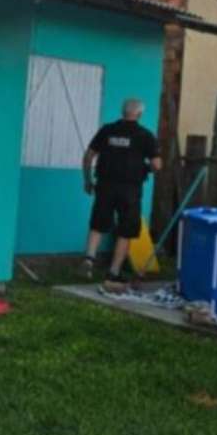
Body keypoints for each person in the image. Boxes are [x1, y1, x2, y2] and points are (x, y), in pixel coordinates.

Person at [81, 98, 162, 291]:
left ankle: (89, 260)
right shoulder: (145, 135)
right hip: (130, 189)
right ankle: (114, 272)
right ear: (139, 114)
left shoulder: (107, 130)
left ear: (122, 111)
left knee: (98, 223)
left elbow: (88, 156)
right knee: (126, 230)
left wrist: (87, 180)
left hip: (105, 185)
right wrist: (145, 168)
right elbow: (157, 165)